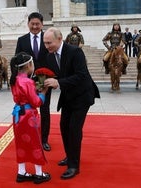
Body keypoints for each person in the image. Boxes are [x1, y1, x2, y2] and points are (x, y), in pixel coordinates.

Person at [43, 27, 100, 180]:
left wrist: (58, 83)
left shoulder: (75, 52)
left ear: (60, 38)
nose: (47, 46)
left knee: (74, 130)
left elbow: (81, 76)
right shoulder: (49, 57)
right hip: (68, 96)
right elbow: (51, 77)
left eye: (49, 43)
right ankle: (70, 156)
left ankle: (74, 166)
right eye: (45, 43)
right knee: (64, 127)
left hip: (82, 95)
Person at [10, 52, 51, 184]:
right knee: (35, 142)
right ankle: (39, 173)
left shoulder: (14, 80)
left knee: (20, 144)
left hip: (18, 115)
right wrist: (44, 92)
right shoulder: (28, 82)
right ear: (28, 65)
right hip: (29, 116)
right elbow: (36, 102)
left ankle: (21, 172)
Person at [15, 12, 51, 151]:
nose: (35, 26)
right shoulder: (22, 40)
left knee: (45, 109)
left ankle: (44, 140)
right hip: (26, 82)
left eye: (38, 24)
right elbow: (17, 61)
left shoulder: (47, 38)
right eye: (32, 24)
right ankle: (28, 137)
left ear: (42, 24)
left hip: (43, 78)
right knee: (27, 111)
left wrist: (52, 77)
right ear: (28, 24)